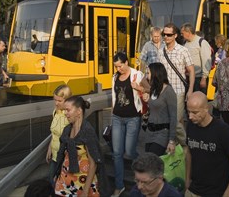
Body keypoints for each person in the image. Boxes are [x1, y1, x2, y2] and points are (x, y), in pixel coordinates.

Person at [185, 92, 229, 197]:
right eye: (188, 112)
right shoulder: (190, 126)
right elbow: (189, 153)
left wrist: (228, 192)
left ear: (206, 108)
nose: (190, 116)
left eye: (195, 112)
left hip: (216, 192)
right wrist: (187, 178)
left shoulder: (223, 131)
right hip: (193, 189)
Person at [54, 96, 108, 196]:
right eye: (64, 110)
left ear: (78, 111)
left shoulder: (87, 131)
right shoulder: (67, 130)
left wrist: (85, 191)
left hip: (83, 182)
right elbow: (62, 155)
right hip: (65, 180)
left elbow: (94, 163)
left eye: (68, 110)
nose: (65, 113)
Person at [111, 52, 144, 197]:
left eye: (120, 66)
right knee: (117, 152)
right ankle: (119, 185)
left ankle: (141, 177)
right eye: (116, 66)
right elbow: (114, 95)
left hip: (133, 118)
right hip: (117, 117)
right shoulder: (115, 77)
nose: (118, 69)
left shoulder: (137, 74)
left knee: (130, 151)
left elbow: (148, 92)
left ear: (126, 62)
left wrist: (139, 88)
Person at [158, 23, 195, 147]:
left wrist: (190, 91)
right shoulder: (160, 50)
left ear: (175, 35)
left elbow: (191, 71)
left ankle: (186, 145)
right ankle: (178, 146)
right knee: (170, 120)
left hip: (178, 91)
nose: (166, 37)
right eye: (164, 34)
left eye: (169, 34)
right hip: (163, 92)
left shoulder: (183, 50)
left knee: (174, 120)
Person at [143, 62, 177, 156]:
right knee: (149, 163)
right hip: (150, 133)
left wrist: (171, 141)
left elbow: (173, 117)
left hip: (162, 134)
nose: (147, 76)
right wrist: (147, 99)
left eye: (148, 73)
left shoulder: (169, 91)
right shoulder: (153, 89)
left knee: (152, 161)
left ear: (155, 74)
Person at [47, 85, 72, 184]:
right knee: (51, 181)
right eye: (55, 100)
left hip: (65, 158)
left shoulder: (70, 115)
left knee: (60, 184)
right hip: (54, 156)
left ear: (67, 100)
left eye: (59, 101)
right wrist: (49, 148)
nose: (56, 103)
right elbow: (54, 133)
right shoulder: (55, 112)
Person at [180, 23, 212, 93]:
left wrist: (204, 78)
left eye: (182, 33)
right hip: (187, 78)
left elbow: (206, 61)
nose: (181, 35)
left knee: (198, 101)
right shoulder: (185, 43)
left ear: (188, 32)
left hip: (198, 78)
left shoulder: (201, 42)